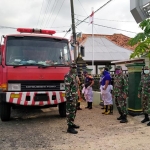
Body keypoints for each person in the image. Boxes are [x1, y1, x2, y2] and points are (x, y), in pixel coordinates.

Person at [64, 62, 79, 134]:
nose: (74, 69)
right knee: (70, 111)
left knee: (74, 111)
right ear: (70, 68)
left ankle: (72, 123)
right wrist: (69, 96)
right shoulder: (68, 76)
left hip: (75, 96)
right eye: (73, 68)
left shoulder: (74, 75)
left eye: (75, 68)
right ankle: (69, 127)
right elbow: (67, 87)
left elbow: (76, 85)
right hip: (70, 97)